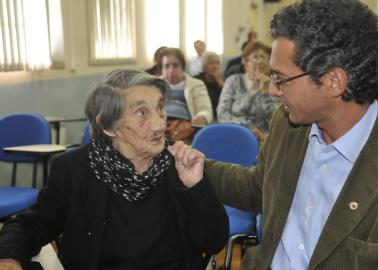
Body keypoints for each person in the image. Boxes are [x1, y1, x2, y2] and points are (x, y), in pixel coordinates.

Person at [206, 0, 378, 269]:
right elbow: (259, 188)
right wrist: (195, 167)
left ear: (333, 81)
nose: (273, 90)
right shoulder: (288, 124)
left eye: (280, 78)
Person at [0, 70, 228, 270]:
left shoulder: (178, 163)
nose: (160, 124)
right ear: (108, 126)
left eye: (160, 109)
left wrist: (196, 188)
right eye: (142, 112)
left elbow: (213, 241)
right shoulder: (74, 169)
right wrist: (9, 257)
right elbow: (30, 225)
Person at [217, 41, 279, 142]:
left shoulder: (276, 85)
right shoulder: (233, 81)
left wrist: (265, 93)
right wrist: (248, 127)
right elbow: (222, 114)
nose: (259, 62)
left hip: (264, 141)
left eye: (263, 57)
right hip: (234, 136)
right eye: (255, 57)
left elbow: (275, 121)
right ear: (245, 63)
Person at [160, 47, 213, 127]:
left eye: (175, 65)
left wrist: (202, 117)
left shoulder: (196, 84)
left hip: (184, 127)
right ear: (162, 69)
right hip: (159, 126)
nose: (171, 70)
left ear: (183, 67)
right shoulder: (154, 85)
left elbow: (206, 110)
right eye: (167, 66)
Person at [194, 51, 224, 119]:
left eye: (218, 63)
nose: (216, 66)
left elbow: (227, 103)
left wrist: (220, 82)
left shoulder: (223, 81)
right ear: (204, 66)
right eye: (212, 63)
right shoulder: (196, 80)